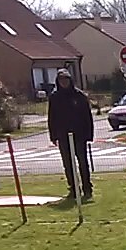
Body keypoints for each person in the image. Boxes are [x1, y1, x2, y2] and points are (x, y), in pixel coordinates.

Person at [47, 68, 95, 201]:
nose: (64, 83)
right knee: (68, 164)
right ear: (58, 81)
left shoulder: (79, 96)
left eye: (66, 79)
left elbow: (87, 117)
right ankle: (74, 189)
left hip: (79, 135)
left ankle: (87, 188)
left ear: (70, 80)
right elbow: (52, 118)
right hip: (63, 136)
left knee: (83, 163)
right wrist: (53, 135)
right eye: (61, 80)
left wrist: (89, 134)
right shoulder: (55, 98)